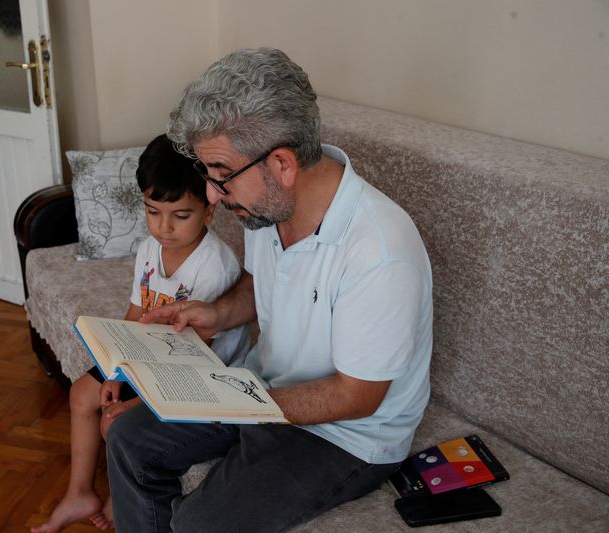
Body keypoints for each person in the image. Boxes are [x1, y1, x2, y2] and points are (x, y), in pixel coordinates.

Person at [104, 48, 434, 532]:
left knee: (199, 526)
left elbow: (357, 397)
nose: (213, 195)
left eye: (220, 176)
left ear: (281, 163)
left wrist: (235, 402)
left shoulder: (379, 250)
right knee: (129, 438)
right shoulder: (264, 208)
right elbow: (263, 282)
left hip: (346, 435)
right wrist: (217, 315)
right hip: (262, 386)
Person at [32, 134, 250, 533]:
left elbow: (193, 358)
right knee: (84, 392)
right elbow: (135, 312)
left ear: (209, 211)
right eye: (153, 212)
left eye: (180, 216)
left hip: (197, 376)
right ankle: (78, 493)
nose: (164, 228)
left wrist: (133, 402)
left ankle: (121, 499)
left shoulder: (214, 267)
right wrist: (115, 364)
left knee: (114, 421)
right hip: (151, 359)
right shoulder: (149, 249)